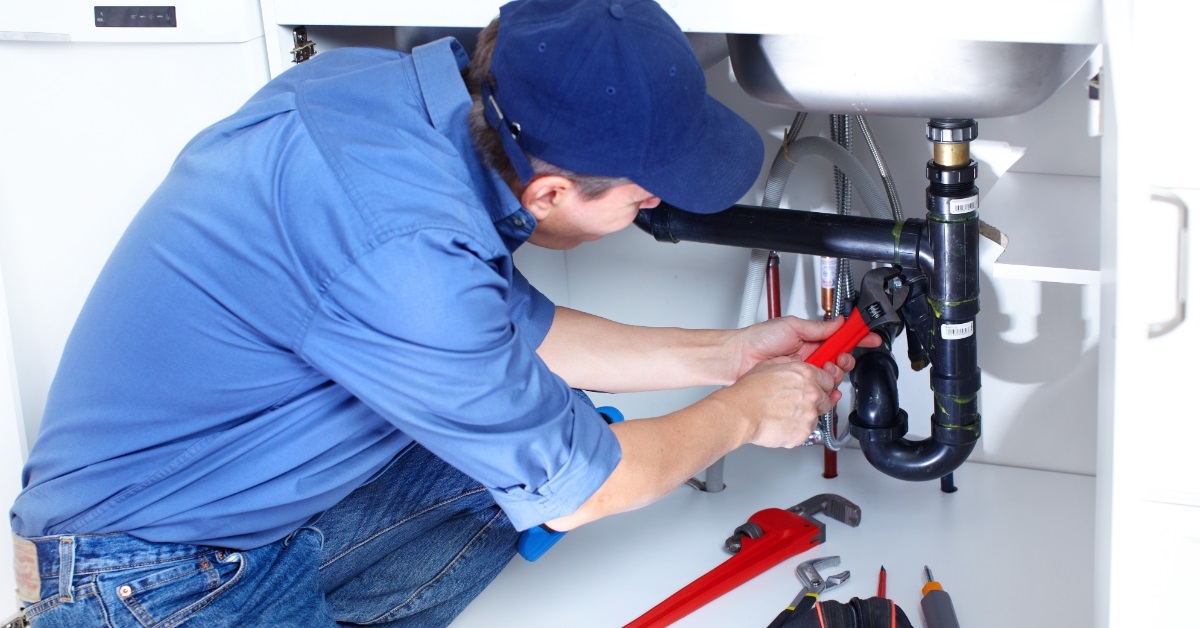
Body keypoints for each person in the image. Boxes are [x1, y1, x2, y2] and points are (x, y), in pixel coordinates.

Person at [9, 0, 875, 625]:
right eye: (641, 202)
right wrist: (744, 416)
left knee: (525, 454)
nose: (647, 216)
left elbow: (511, 334)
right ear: (551, 190)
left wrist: (727, 357)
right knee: (562, 470)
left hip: (232, 513)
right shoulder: (408, 254)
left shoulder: (384, 97)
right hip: (150, 582)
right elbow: (593, 488)